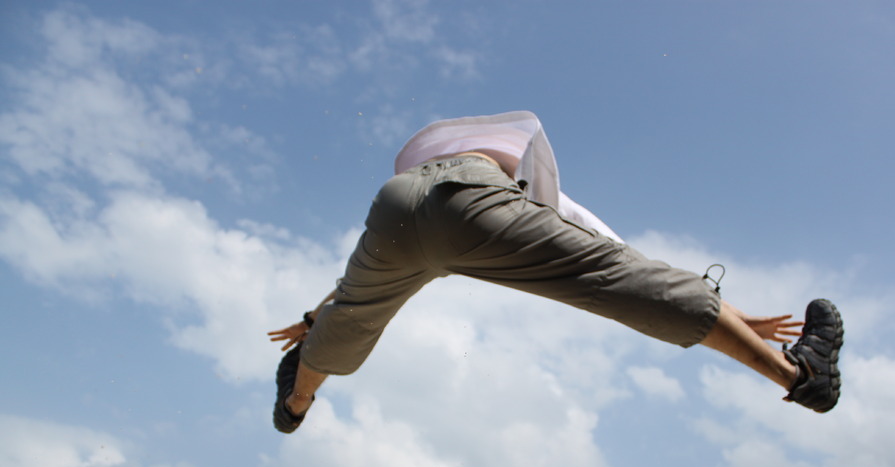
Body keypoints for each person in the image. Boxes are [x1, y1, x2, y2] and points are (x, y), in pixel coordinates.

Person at [268, 112, 843, 434]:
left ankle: (296, 400)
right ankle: (800, 373)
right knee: (610, 278)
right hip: (466, 201)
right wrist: (729, 310)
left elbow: (353, 289)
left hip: (391, 208)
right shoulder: (519, 185)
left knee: (353, 319)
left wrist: (313, 318)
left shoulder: (421, 170)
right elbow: (613, 258)